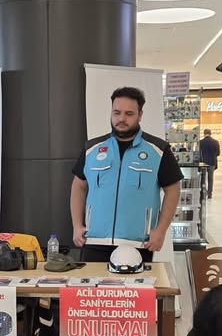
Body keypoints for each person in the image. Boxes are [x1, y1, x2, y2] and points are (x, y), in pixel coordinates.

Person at [70, 86, 182, 263]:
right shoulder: (92, 149)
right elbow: (78, 186)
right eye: (117, 112)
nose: (121, 118)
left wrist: (160, 231)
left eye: (129, 114)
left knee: (133, 291)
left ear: (140, 115)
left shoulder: (158, 150)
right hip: (94, 241)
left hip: (138, 244)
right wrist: (77, 226)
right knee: (94, 290)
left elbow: (173, 189)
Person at [198, 128, 220, 199]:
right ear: (210, 133)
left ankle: (202, 193)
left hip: (203, 163)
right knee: (210, 179)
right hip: (212, 162)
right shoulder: (215, 142)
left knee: (203, 179)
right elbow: (218, 153)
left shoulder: (200, 142)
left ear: (204, 134)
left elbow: (198, 153)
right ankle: (210, 194)